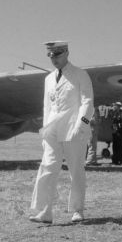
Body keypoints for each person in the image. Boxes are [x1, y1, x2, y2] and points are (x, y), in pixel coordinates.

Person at [29, 41, 94, 223]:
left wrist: (81, 125)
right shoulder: (48, 79)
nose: (54, 59)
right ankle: (45, 211)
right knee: (48, 167)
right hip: (52, 130)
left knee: (76, 170)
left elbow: (88, 102)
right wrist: (45, 132)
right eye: (50, 55)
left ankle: (78, 210)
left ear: (66, 53)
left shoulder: (80, 74)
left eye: (57, 55)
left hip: (74, 128)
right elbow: (47, 107)